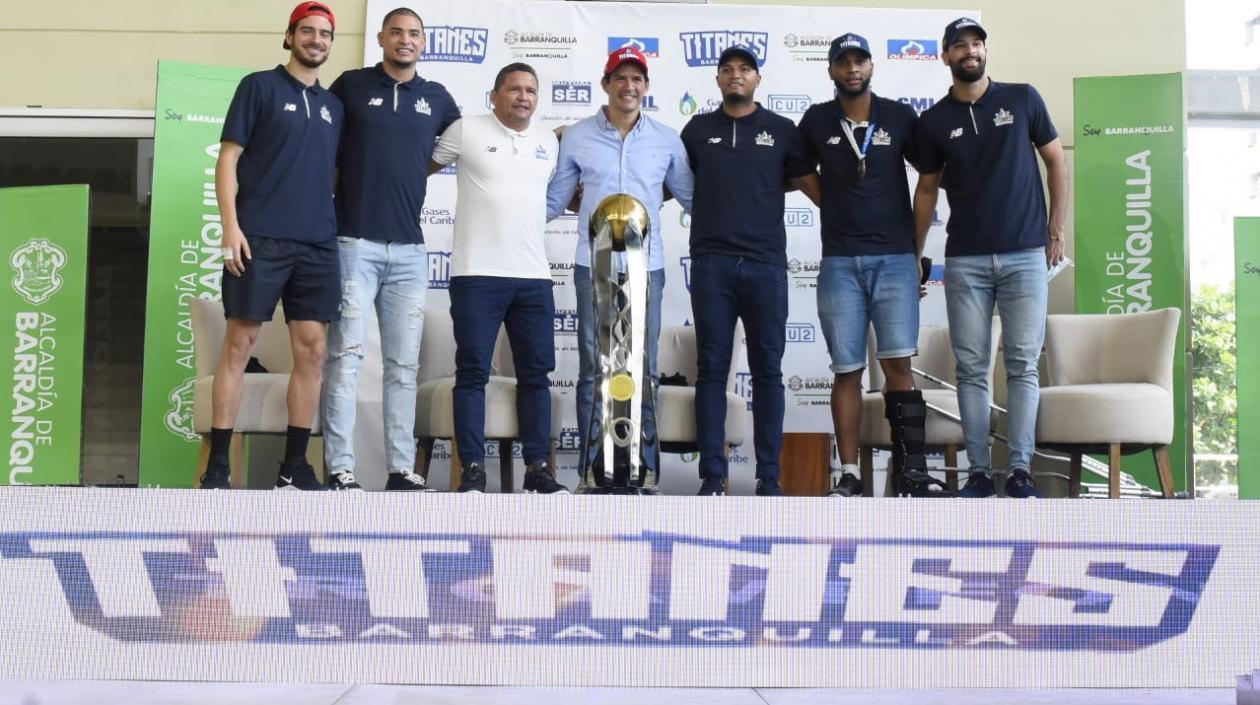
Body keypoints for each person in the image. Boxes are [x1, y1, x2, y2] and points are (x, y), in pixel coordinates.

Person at [914, 17, 1069, 498]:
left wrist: (1056, 229)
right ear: (945, 57)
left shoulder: (1023, 98)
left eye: (976, 43)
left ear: (985, 51)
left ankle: (1019, 470)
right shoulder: (934, 121)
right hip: (966, 260)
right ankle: (979, 473)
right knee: (971, 368)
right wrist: (912, 253)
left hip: (1026, 254)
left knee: (1023, 364)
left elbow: (1057, 162)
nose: (969, 51)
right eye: (959, 45)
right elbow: (925, 190)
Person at [796, 33, 949, 497]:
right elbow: (802, 173)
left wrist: (913, 250)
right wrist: (837, 204)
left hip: (894, 259)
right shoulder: (817, 119)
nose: (852, 69)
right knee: (847, 369)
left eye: (860, 60)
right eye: (843, 62)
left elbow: (929, 175)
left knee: (898, 364)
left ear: (871, 67)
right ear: (831, 72)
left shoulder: (900, 116)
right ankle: (849, 473)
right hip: (840, 260)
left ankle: (912, 472)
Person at [199, 1, 343, 491]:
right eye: (308, 31)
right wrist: (230, 227)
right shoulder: (257, 86)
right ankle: (219, 463)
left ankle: (294, 466)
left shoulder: (333, 106)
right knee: (239, 343)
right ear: (289, 37)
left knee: (313, 349)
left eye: (325, 34)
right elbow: (227, 160)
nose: (316, 40)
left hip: (318, 244)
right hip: (258, 237)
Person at [320, 7, 459, 491]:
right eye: (396, 32)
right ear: (381, 38)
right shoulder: (349, 86)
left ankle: (401, 469)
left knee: (403, 366)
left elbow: (469, 145)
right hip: (352, 243)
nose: (405, 40)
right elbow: (323, 148)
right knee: (346, 357)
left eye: (414, 34)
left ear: (424, 43)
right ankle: (340, 468)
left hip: (409, 252)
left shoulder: (438, 99)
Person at [546, 46, 694, 491]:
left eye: (637, 79)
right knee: (595, 367)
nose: (629, 86)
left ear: (646, 87)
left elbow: (693, 198)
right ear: (605, 84)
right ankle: (594, 471)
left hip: (647, 268)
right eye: (620, 78)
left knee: (643, 367)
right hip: (592, 267)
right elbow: (554, 200)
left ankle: (642, 472)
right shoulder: (576, 136)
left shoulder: (668, 138)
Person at [679, 46, 814, 497]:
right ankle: (713, 477)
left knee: (767, 372)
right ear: (717, 80)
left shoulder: (781, 131)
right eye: (727, 70)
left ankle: (769, 477)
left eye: (745, 70)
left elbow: (815, 186)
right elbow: (662, 179)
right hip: (712, 265)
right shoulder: (697, 130)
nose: (736, 76)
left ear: (757, 78)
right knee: (712, 369)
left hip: (766, 265)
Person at [430, 63, 566, 494]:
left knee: (536, 376)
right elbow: (412, 172)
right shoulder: (466, 130)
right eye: (514, 89)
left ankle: (537, 470)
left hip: (534, 278)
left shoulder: (549, 141)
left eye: (530, 90)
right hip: (477, 275)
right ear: (495, 95)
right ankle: (472, 470)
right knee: (472, 374)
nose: (523, 97)